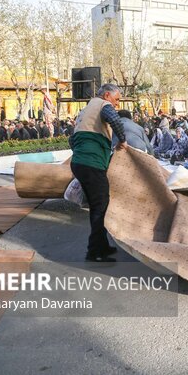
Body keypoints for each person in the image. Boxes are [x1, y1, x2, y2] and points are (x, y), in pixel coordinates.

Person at [69, 84, 127, 262]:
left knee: (97, 206)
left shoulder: (85, 111)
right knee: (100, 206)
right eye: (116, 100)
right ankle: (95, 252)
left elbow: (72, 140)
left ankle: (101, 246)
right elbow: (115, 120)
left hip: (79, 163)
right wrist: (122, 141)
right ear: (107, 95)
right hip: (92, 165)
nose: (117, 104)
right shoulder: (103, 105)